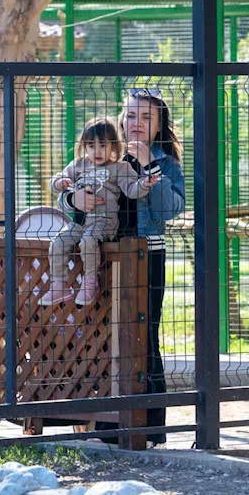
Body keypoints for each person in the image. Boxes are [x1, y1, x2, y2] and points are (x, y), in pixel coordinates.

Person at [57, 88, 185, 446]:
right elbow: (67, 191)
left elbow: (169, 210)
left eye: (146, 118)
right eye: (131, 116)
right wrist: (72, 198)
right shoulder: (104, 153)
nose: (137, 124)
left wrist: (149, 167)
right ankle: (106, 425)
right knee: (103, 334)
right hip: (100, 253)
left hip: (145, 256)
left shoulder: (165, 161)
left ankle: (148, 426)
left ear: (159, 125)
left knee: (144, 336)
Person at [40, 117, 159, 307]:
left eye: (103, 145)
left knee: (88, 241)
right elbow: (56, 180)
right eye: (91, 145)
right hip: (79, 222)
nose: (97, 151)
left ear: (113, 146)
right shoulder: (78, 165)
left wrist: (145, 183)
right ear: (84, 146)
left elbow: (132, 189)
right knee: (59, 242)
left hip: (104, 222)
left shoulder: (120, 168)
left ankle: (90, 283)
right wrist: (60, 183)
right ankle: (59, 284)